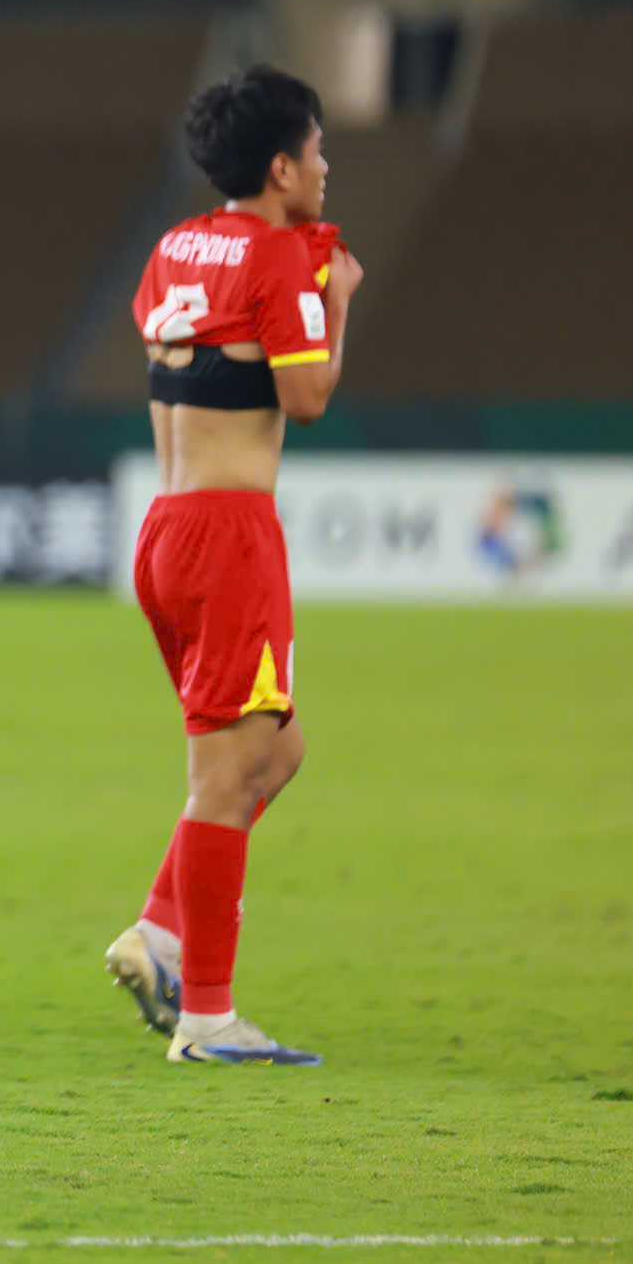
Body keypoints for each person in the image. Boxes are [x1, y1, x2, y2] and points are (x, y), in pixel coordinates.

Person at [104, 64, 363, 1065]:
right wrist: (335, 298)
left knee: (274, 755)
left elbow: (200, 340)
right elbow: (305, 399)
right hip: (229, 537)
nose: (326, 167)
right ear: (280, 167)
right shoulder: (276, 257)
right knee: (221, 778)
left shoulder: (175, 246)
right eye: (317, 150)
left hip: (166, 530)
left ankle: (160, 932)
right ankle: (207, 1018)